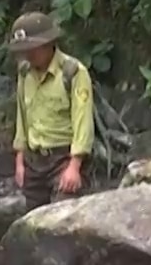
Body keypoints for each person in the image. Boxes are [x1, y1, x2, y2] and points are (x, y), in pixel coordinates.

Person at [8, 11, 95, 208]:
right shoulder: (24, 72)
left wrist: (75, 166)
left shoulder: (73, 72)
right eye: (24, 50)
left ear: (48, 44)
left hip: (63, 159)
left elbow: (83, 122)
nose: (28, 55)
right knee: (30, 223)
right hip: (34, 161)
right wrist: (20, 160)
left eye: (32, 49)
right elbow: (22, 115)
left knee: (62, 218)